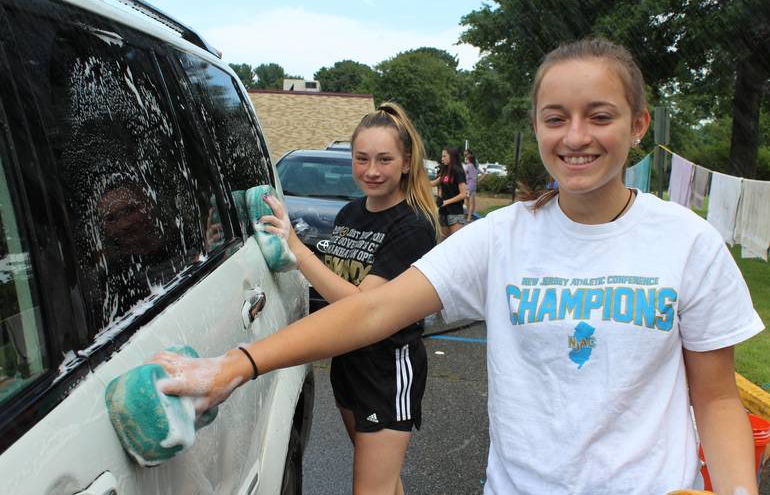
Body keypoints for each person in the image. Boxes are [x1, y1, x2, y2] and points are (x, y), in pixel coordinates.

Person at [153, 39, 764, 495]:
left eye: (599, 115)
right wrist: (237, 365)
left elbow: (713, 399)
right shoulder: (501, 237)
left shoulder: (689, 241)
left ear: (637, 125)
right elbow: (372, 309)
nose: (576, 136)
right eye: (556, 117)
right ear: (537, 127)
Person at [268, 101, 440, 494]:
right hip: (349, 362)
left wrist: (298, 248)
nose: (372, 170)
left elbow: (362, 306)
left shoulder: (412, 226)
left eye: (384, 159)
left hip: (387, 370)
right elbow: (330, 286)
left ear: (407, 162)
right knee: (383, 481)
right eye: (361, 158)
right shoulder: (349, 214)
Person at [431, 146, 467, 238]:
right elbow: (435, 183)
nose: (442, 158)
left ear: (452, 157)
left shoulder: (458, 172)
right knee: (444, 243)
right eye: (442, 156)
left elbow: (463, 194)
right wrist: (417, 181)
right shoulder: (445, 170)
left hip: (455, 212)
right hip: (443, 212)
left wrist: (446, 202)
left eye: (444, 156)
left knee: (455, 243)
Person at [463, 149, 480, 222]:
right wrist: (477, 180)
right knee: (470, 201)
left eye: (466, 156)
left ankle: (469, 216)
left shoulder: (469, 165)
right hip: (473, 185)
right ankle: (469, 215)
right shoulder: (474, 165)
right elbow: (481, 172)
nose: (465, 157)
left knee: (468, 201)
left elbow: (463, 172)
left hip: (468, 185)